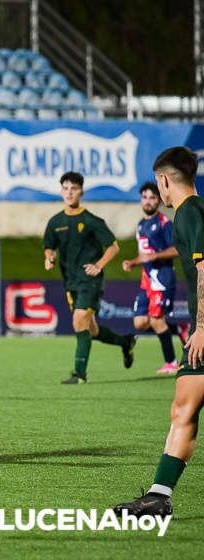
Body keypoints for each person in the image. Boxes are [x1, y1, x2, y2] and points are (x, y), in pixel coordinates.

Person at [114, 147, 204, 517]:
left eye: (158, 184)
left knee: (184, 408)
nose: (159, 192)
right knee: (183, 408)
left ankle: (158, 496)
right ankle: (158, 496)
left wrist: (201, 328)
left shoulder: (188, 214)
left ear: (164, 180)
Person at [43, 171, 135, 384]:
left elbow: (113, 246)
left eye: (73, 188)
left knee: (79, 320)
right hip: (71, 283)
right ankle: (125, 342)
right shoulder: (55, 221)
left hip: (90, 281)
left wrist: (99, 265)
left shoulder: (91, 221)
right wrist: (49, 258)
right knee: (91, 330)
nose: (69, 192)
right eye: (65, 188)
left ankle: (80, 374)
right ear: (61, 192)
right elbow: (49, 246)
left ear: (81, 192)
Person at [121, 182, 182, 374]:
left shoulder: (165, 223)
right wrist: (133, 262)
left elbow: (176, 249)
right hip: (146, 279)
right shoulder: (141, 224)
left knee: (156, 320)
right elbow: (145, 252)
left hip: (162, 279)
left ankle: (171, 362)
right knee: (139, 322)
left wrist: (155, 256)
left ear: (159, 201)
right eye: (145, 197)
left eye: (152, 198)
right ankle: (177, 328)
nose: (148, 201)